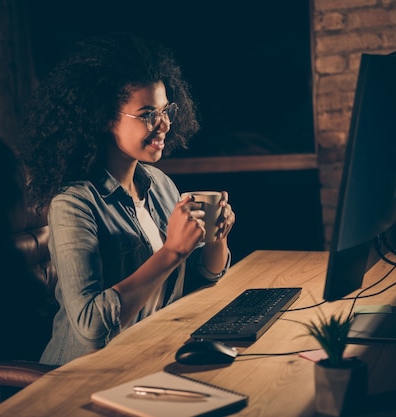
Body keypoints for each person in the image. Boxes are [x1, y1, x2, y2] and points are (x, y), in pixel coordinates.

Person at [20, 32, 236, 366]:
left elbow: (197, 280)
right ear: (105, 118)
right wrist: (172, 251)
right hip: (80, 376)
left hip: (149, 355)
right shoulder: (74, 204)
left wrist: (214, 240)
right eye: (148, 113)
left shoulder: (160, 185)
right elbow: (91, 328)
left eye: (166, 110)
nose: (163, 124)